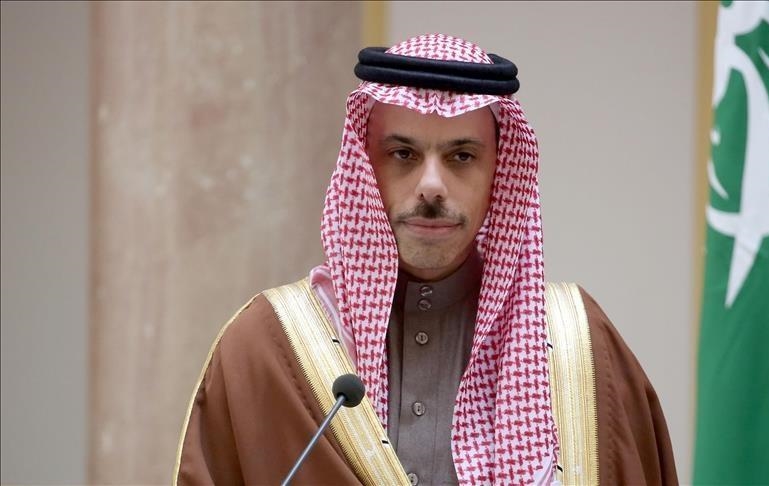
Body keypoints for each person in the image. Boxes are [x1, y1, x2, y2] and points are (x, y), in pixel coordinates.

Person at [173, 34, 678, 486]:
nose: (432, 186)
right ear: (365, 167)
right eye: (403, 154)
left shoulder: (579, 349)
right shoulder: (264, 349)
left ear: (499, 174)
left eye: (462, 156)